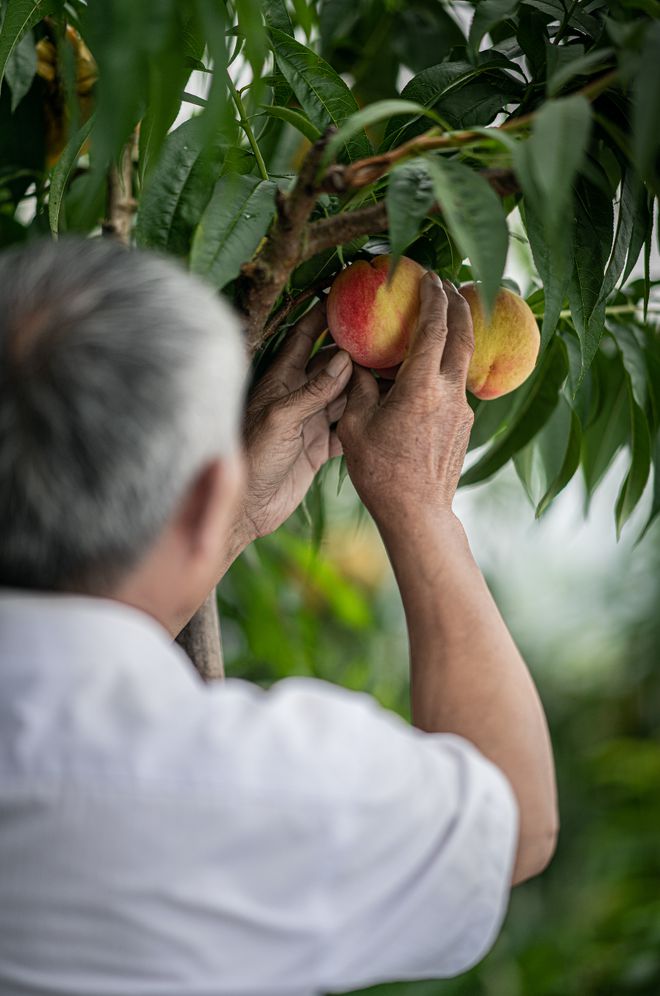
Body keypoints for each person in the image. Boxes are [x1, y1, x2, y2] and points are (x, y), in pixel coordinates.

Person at [0, 238, 558, 996]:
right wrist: (419, 506)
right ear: (201, 496)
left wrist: (225, 520)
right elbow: (513, 821)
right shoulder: (240, 789)